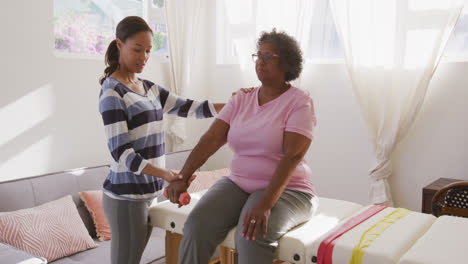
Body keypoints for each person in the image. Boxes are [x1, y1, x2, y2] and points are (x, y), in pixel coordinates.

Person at [98, 16, 249, 264]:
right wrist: (167, 175)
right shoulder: (112, 92)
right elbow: (122, 154)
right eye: (137, 49)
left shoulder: (148, 88)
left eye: (148, 51)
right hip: (126, 198)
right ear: (119, 44)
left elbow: (190, 108)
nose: (144, 57)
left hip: (148, 194)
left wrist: (235, 104)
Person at [166, 29, 319, 264]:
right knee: (197, 225)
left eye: (268, 57)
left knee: (250, 235)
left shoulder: (299, 102)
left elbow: (292, 156)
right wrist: (183, 176)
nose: (260, 62)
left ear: (287, 62)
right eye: (258, 56)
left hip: (290, 190)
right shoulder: (241, 99)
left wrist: (265, 204)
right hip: (238, 183)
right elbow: (211, 139)